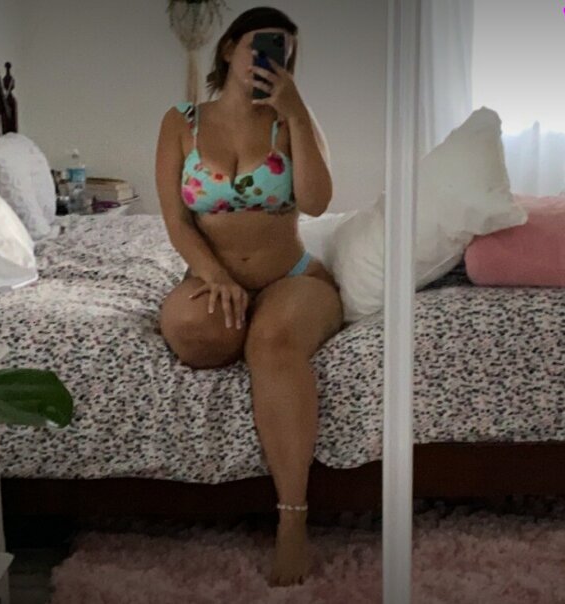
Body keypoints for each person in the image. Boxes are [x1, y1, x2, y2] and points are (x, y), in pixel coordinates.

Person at [155, 6, 343, 587]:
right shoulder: (181, 122)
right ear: (229, 48)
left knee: (273, 344)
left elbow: (317, 202)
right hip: (213, 276)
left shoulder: (293, 120)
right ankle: (244, 325)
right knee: (193, 334)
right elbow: (176, 221)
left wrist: (296, 111)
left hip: (293, 277)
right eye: (261, 46)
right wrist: (213, 276)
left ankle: (292, 519)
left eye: (283, 51)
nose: (269, 59)